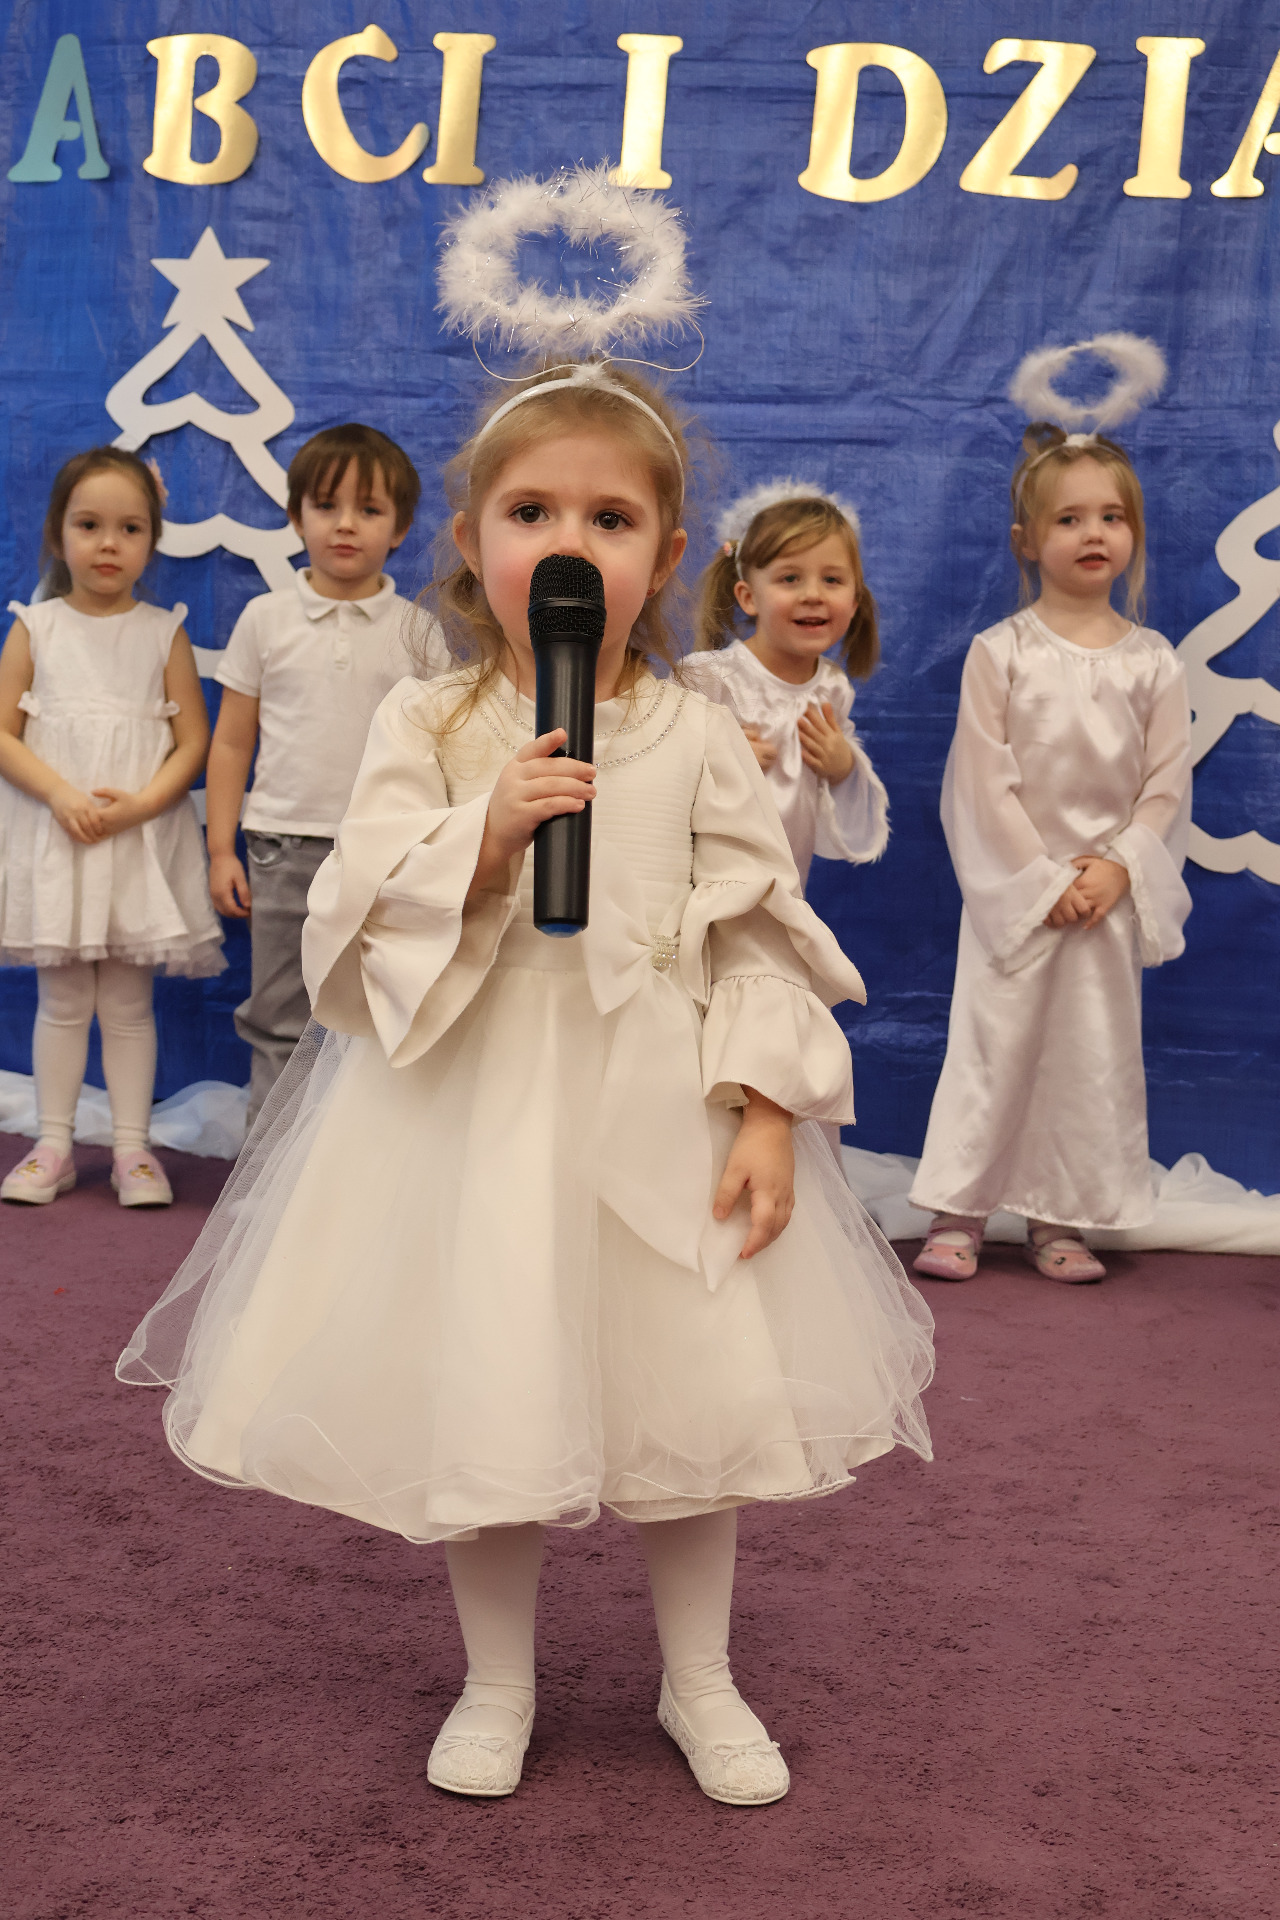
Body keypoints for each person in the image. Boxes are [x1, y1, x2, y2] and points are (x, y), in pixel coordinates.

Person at [118, 359, 933, 1807]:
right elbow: (354, 921)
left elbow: (755, 924)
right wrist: (483, 839)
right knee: (487, 1377)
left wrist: (765, 1110)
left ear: (666, 561)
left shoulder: (694, 731)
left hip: (659, 1095)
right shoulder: (429, 723)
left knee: (696, 1395)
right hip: (473, 1101)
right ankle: (498, 1679)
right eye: (532, 512)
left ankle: (699, 1676)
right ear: (472, 542)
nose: (569, 545)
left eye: (610, 521)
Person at [909, 424, 1192, 1284]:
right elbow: (980, 782)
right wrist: (1040, 882)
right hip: (1019, 899)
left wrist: (1120, 866)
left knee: (1086, 1059)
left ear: (1133, 531)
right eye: (1068, 519)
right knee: (993, 1049)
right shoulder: (1002, 653)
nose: (1092, 533)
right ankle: (959, 1211)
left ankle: (1059, 1217)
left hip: (1103, 901)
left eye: (1111, 516)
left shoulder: (1154, 663)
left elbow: (1166, 785)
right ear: (1026, 541)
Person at [205, 423, 447, 1128]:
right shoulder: (265, 618)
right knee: (280, 1018)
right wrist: (221, 849)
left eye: (369, 510)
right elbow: (231, 743)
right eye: (326, 505)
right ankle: (264, 1173)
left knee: (377, 1015)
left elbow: (442, 752)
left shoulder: (419, 632)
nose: (346, 525)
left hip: (385, 854)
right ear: (295, 516)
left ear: (400, 529)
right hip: (280, 849)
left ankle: (355, 1169)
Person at [0, 447, 221, 1206]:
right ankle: (53, 1143)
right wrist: (61, 794)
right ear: (58, 533)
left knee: (128, 1005)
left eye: (130, 528)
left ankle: (133, 1148)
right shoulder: (36, 628)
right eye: (89, 525)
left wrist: (141, 805)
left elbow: (193, 742)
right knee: (62, 1001)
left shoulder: (163, 633)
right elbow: (3, 735)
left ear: (152, 540)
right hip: (60, 843)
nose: (108, 544)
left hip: (134, 845)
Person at [683, 482, 888, 889]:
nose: (813, 595)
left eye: (832, 579)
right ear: (748, 597)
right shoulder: (710, 679)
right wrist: (716, 756)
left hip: (786, 888)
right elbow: (657, 772)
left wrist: (842, 766)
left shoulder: (831, 688)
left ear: (854, 600)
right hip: (705, 887)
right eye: (790, 578)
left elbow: (837, 807)